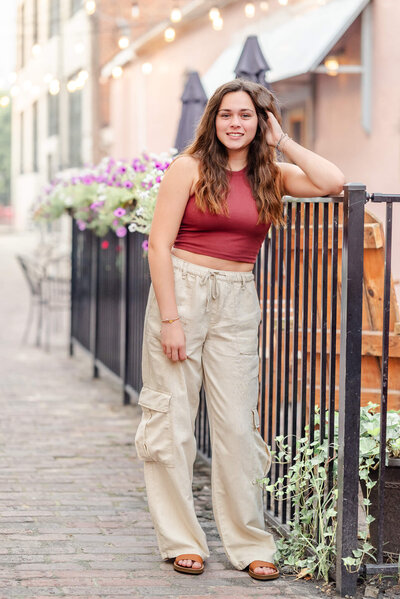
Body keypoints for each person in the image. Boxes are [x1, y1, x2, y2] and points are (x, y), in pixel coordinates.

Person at [134, 79, 345, 580]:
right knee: (172, 423)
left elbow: (333, 182)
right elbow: (158, 245)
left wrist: (283, 141)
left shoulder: (271, 173)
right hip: (180, 292)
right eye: (226, 114)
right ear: (213, 119)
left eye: (246, 116)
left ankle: (250, 542)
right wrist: (170, 319)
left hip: (236, 298)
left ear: (259, 122)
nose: (235, 123)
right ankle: (182, 539)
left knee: (236, 427)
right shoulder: (186, 169)